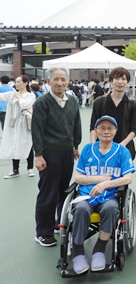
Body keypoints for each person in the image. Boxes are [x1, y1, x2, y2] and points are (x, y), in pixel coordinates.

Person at [71, 115, 135, 274]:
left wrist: (106, 184)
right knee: (80, 209)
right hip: (86, 195)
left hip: (110, 196)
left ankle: (99, 249)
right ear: (96, 131)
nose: (106, 131)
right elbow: (77, 178)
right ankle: (78, 251)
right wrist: (98, 179)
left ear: (115, 131)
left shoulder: (122, 151)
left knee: (111, 209)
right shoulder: (87, 149)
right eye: (102, 128)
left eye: (110, 128)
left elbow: (128, 178)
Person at [32, 67, 82, 247]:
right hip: (49, 152)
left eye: (63, 79)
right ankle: (43, 232)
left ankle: (58, 223)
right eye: (56, 79)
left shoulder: (72, 101)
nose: (60, 83)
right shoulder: (42, 102)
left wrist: (75, 145)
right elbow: (37, 130)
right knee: (48, 192)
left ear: (68, 81)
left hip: (67, 152)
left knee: (63, 191)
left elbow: (76, 124)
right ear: (48, 82)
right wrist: (38, 155)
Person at [90, 67, 136, 160]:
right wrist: (93, 146)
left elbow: (134, 129)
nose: (120, 82)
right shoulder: (100, 102)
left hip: (124, 150)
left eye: (123, 79)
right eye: (117, 78)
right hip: (101, 150)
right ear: (111, 80)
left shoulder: (133, 105)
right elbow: (93, 126)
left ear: (128, 82)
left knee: (125, 175)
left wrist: (122, 144)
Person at [0, 75, 36, 178]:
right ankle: (15, 169)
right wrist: (16, 96)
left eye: (19, 82)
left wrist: (19, 98)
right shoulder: (12, 94)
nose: (16, 84)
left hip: (25, 123)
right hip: (14, 124)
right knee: (14, 143)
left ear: (25, 83)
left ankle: (30, 168)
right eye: (16, 82)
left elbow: (25, 105)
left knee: (28, 143)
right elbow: (1, 97)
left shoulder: (30, 95)